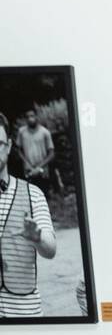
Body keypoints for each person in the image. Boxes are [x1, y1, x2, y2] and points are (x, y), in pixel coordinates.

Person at [0, 111, 56, 320]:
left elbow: (50, 250)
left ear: (9, 145)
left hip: (24, 313)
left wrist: (38, 238)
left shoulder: (33, 194)